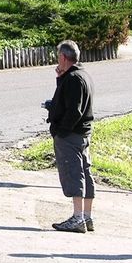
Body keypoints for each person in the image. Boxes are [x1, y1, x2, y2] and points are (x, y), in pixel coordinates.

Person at [45, 40, 95, 233]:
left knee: (73, 172)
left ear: (63, 57)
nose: (58, 60)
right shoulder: (82, 74)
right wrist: (60, 79)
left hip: (72, 135)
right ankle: (87, 216)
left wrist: (60, 132)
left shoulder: (74, 79)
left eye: (59, 56)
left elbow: (74, 110)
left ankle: (77, 218)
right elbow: (66, 98)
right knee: (85, 171)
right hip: (83, 133)